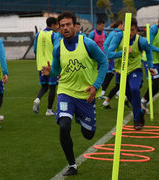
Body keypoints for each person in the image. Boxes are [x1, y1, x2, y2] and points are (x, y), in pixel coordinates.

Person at [42, 11, 108, 176]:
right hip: (66, 91)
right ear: (59, 28)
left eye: (68, 25)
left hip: (86, 95)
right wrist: (50, 71)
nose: (65, 28)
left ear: (75, 26)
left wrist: (96, 85)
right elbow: (57, 70)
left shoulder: (88, 44)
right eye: (62, 25)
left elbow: (104, 61)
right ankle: (72, 165)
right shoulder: (58, 48)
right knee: (64, 126)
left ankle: (79, 116)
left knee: (88, 134)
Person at [107, 18, 155, 130]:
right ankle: (141, 110)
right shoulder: (118, 37)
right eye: (128, 30)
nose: (130, 33)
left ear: (136, 30)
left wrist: (150, 66)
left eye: (132, 30)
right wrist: (123, 52)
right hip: (121, 71)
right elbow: (109, 54)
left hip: (135, 70)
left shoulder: (141, 41)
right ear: (124, 28)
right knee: (131, 98)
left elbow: (148, 51)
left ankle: (136, 120)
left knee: (134, 90)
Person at [33, 17, 59, 116]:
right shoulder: (54, 35)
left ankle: (37, 99)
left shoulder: (38, 34)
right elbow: (57, 50)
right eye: (56, 24)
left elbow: (35, 50)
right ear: (52, 25)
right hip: (51, 65)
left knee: (44, 87)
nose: (57, 27)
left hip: (40, 65)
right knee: (52, 88)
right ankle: (49, 110)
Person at [141, 15, 159, 111]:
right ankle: (143, 101)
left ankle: (143, 101)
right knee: (157, 82)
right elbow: (148, 44)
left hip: (158, 60)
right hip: (149, 60)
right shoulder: (154, 29)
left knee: (158, 84)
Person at [101, 20, 124, 98]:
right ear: (120, 25)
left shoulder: (121, 34)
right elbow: (105, 45)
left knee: (114, 75)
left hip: (117, 58)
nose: (124, 27)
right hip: (112, 58)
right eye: (123, 25)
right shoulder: (113, 34)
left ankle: (119, 92)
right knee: (109, 74)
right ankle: (102, 92)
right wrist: (108, 56)